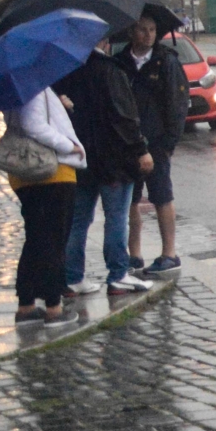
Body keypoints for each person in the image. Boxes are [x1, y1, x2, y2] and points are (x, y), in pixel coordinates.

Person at [56, 44, 152, 299]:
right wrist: (141, 149)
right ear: (102, 42)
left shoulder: (65, 72)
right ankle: (118, 275)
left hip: (80, 159)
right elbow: (124, 117)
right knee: (116, 218)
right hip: (114, 160)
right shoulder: (110, 71)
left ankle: (72, 277)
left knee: (78, 220)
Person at [0, 84, 83, 325]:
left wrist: (57, 103)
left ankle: (26, 305)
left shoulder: (13, 91)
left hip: (26, 174)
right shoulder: (33, 89)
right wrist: (70, 146)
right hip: (51, 172)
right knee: (53, 240)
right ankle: (53, 307)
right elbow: (33, 126)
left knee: (36, 239)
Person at [117, 15, 185, 276]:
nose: (147, 35)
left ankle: (169, 252)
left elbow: (177, 105)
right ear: (132, 32)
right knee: (130, 200)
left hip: (157, 143)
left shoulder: (166, 62)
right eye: (142, 30)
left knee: (162, 196)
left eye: (152, 30)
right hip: (128, 142)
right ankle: (134, 254)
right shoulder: (121, 62)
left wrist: (168, 142)